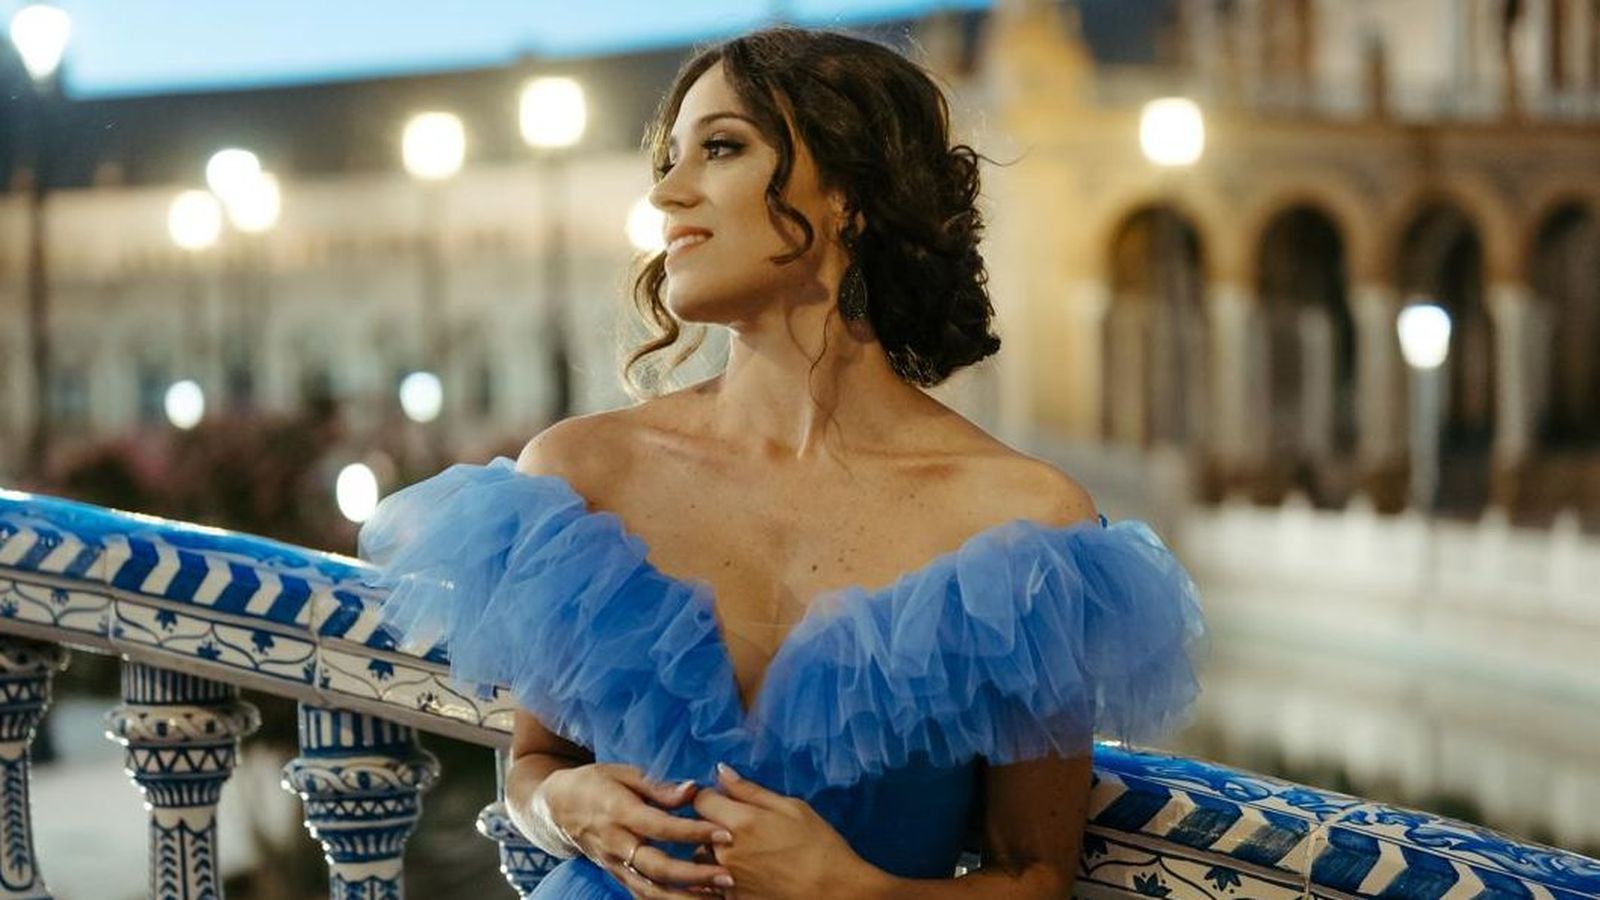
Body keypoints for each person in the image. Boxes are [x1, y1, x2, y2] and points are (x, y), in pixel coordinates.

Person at [360, 25, 1205, 900]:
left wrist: (849, 890)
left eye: (720, 148)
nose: (667, 194)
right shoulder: (577, 476)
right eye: (669, 158)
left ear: (849, 195)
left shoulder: (1021, 526)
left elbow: (1035, 877)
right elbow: (536, 764)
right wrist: (567, 806)